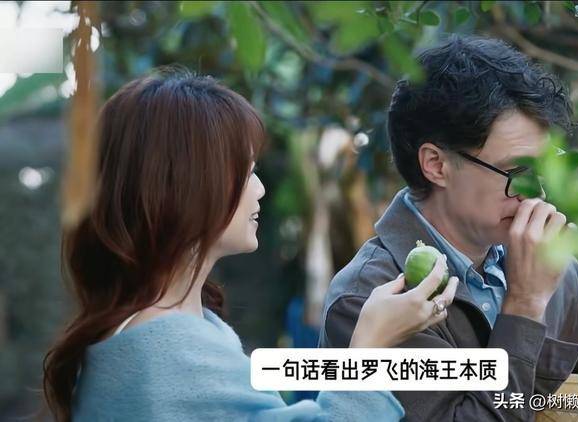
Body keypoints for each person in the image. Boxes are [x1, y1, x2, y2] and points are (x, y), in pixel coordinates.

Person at [41, 67, 459, 422]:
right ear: (184, 185)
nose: (259, 189)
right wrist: (370, 346)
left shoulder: (158, 330)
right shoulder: (172, 353)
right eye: (245, 172)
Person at [319, 35, 578, 421]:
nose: (536, 192)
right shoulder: (370, 300)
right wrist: (525, 306)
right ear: (436, 165)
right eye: (517, 171)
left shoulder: (536, 262)